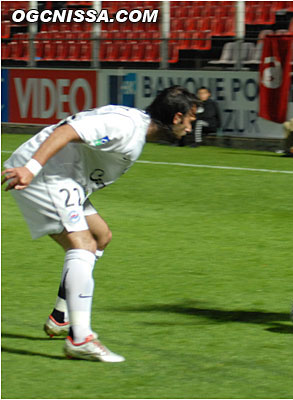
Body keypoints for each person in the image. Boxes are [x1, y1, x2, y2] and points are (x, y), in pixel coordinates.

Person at [1, 85, 199, 362]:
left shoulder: (134, 127)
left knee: (100, 236)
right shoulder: (125, 126)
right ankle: (80, 338)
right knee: (82, 245)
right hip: (47, 174)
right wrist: (30, 169)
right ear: (177, 117)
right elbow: (66, 131)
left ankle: (61, 316)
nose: (190, 129)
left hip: (67, 178)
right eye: (190, 121)